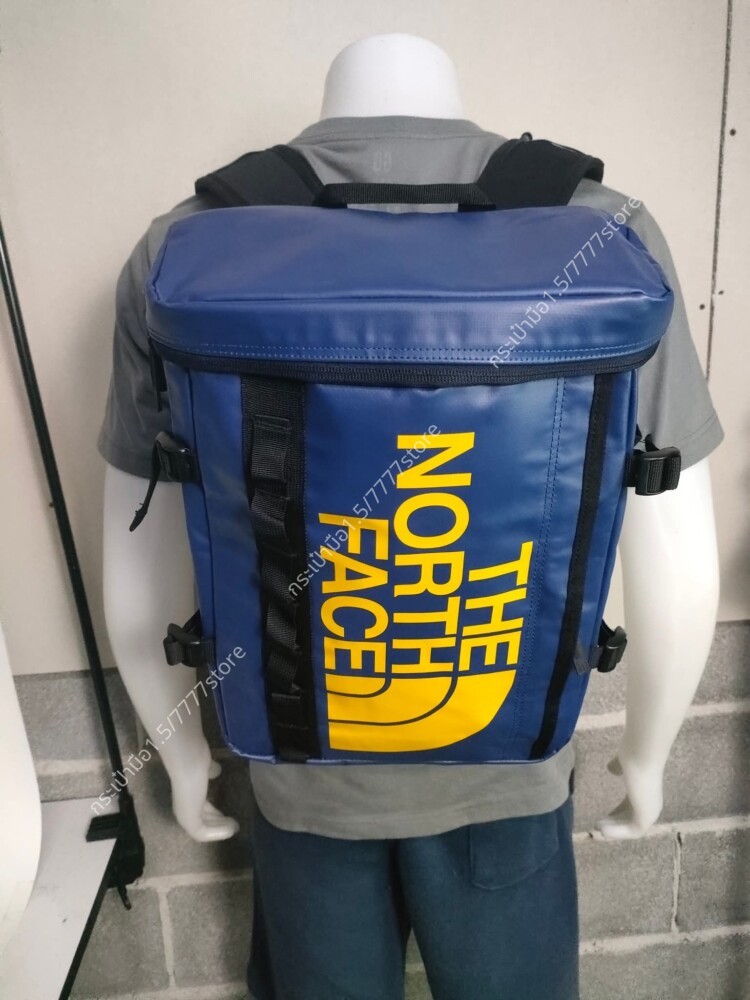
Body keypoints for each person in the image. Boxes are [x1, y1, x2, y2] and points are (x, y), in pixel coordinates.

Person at [98, 35, 722, 1000]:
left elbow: (136, 541)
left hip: (301, 775)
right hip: (509, 767)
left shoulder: (187, 241)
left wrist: (178, 753)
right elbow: (674, 532)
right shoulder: (604, 229)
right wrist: (649, 754)